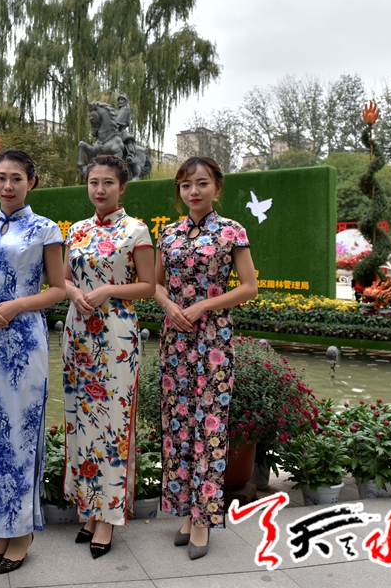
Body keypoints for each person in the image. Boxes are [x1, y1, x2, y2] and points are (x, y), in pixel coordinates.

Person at [0, 149, 66, 574]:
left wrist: (18, 304)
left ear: (31, 182)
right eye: (1, 177)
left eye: (17, 178)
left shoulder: (46, 229)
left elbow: (58, 289)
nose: (8, 185)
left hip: (24, 342)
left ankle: (21, 532)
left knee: (21, 433)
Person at [154, 156, 258, 560]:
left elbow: (248, 287)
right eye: (185, 185)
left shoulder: (232, 231)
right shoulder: (169, 233)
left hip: (213, 340)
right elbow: (156, 284)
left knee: (210, 425)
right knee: (178, 425)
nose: (193, 191)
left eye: (201, 183)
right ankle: (186, 510)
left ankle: (204, 520)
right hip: (175, 338)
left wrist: (203, 306)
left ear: (217, 186)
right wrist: (170, 306)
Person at [61, 155, 155, 559]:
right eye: (93, 182)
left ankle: (108, 516)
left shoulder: (136, 230)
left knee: (113, 423)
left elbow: (149, 286)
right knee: (80, 420)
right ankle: (88, 508)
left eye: (108, 183)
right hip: (78, 332)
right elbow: (63, 278)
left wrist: (108, 290)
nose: (99, 189)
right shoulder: (77, 230)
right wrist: (74, 292)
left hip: (116, 335)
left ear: (123, 187)